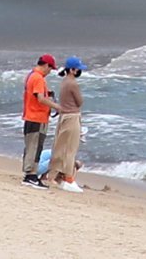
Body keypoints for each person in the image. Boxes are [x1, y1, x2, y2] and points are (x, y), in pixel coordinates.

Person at [46, 57, 87, 193]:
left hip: (64, 117)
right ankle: (68, 178)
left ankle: (56, 175)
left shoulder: (64, 82)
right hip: (72, 116)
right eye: (78, 69)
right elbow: (80, 102)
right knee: (70, 148)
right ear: (73, 70)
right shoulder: (72, 84)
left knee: (61, 147)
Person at [21, 54, 58, 187]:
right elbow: (40, 99)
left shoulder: (31, 75)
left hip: (31, 116)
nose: (50, 71)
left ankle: (30, 174)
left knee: (32, 146)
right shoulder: (38, 78)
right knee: (35, 147)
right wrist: (58, 107)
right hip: (36, 117)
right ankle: (31, 175)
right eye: (50, 68)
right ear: (46, 65)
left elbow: (37, 95)